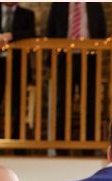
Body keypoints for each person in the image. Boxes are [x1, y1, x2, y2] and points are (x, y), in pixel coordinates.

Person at [46, 2, 107, 143]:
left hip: (89, 58)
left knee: (90, 102)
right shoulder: (58, 5)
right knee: (63, 102)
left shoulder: (95, 5)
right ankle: (61, 145)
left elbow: (101, 31)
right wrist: (51, 61)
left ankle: (89, 143)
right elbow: (51, 31)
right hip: (64, 58)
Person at [0, 2, 37, 139]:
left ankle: (17, 142)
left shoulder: (27, 15)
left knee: (18, 107)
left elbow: (31, 33)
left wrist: (12, 36)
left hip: (18, 66)